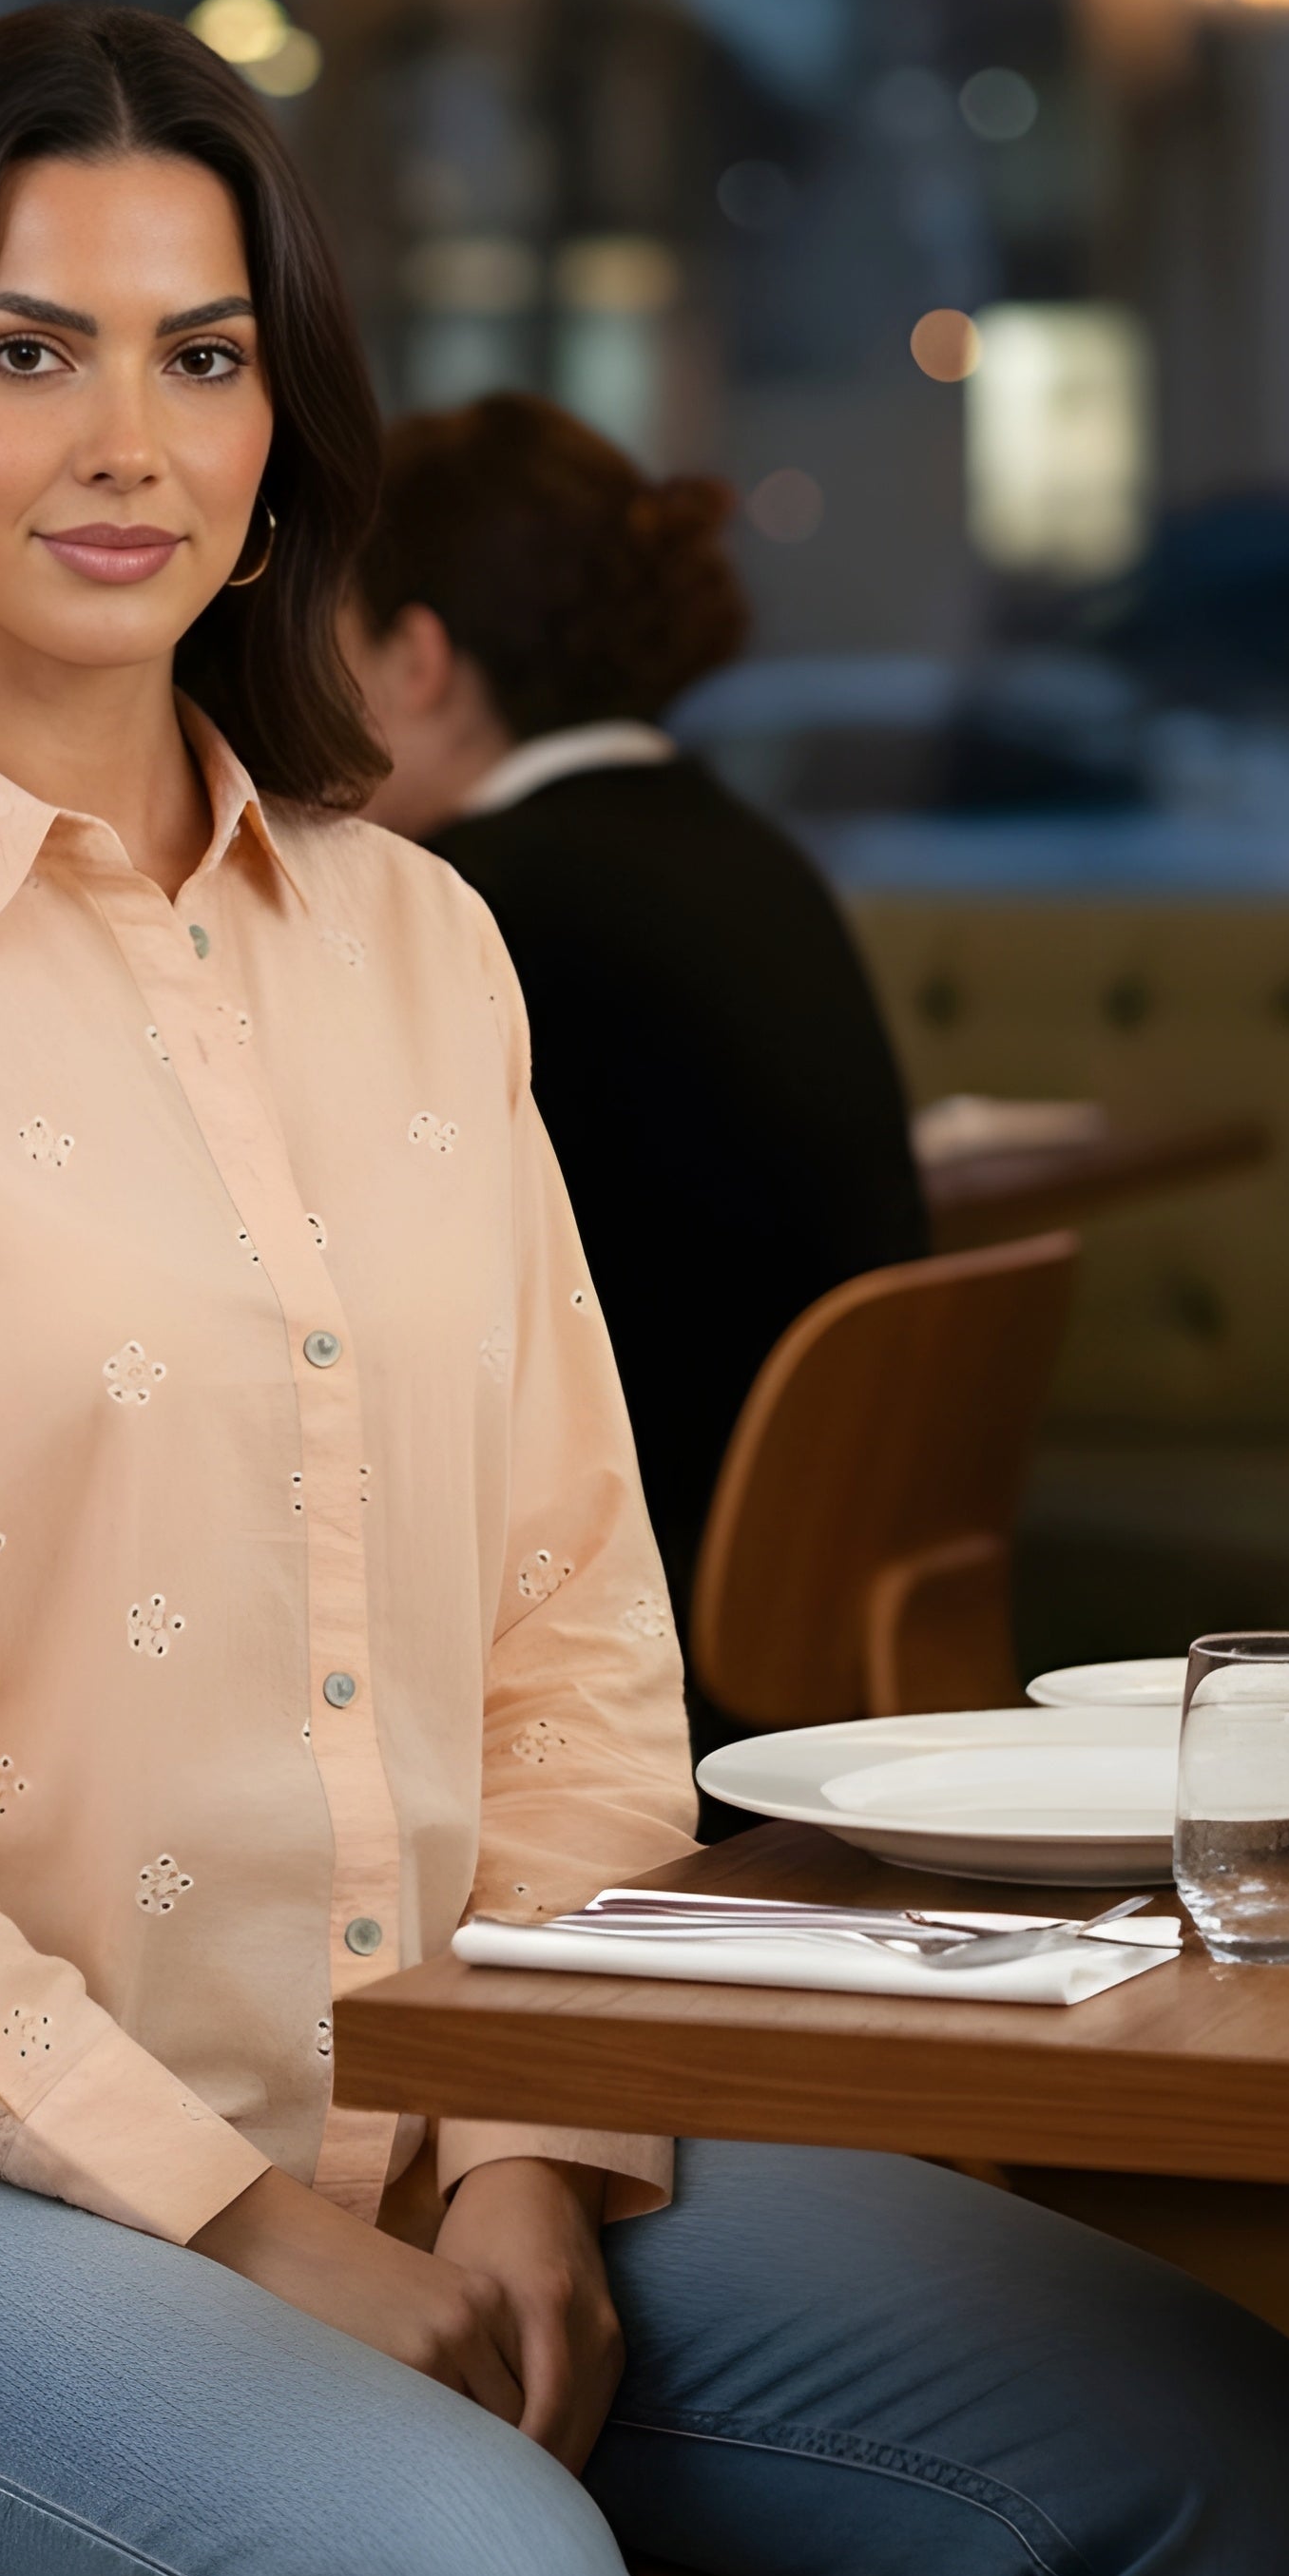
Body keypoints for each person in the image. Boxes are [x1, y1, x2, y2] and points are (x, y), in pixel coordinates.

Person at [0, 4, 1289, 2576]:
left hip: (423, 2093)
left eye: (202, 349)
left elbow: (572, 1627)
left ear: (281, 419)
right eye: (29, 347)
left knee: (1215, 2449)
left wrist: (523, 2129)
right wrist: (247, 2221)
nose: (127, 435)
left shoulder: (413, 943)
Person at [341, 394, 928, 1658]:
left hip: (624, 1627)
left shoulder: (476, 908)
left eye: (332, 645)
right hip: (819, 1601)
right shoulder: (748, 849)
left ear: (420, 660)